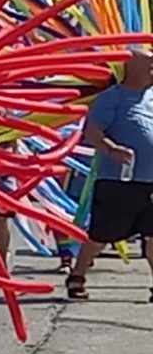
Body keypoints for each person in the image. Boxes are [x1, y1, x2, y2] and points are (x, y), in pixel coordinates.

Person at [68, 52, 153, 302]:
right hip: (119, 181)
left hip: (150, 182)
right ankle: (77, 276)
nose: (152, 65)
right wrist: (111, 149)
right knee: (102, 234)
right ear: (130, 66)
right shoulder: (112, 98)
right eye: (148, 60)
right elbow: (93, 131)